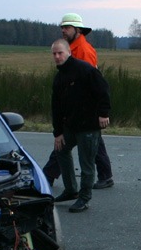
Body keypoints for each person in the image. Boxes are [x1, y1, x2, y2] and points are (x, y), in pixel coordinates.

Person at [42, 13, 115, 189]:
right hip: (79, 111)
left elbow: (94, 83)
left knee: (66, 143)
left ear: (77, 29)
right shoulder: (73, 47)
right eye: (62, 27)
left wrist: (99, 111)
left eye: (66, 27)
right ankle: (105, 175)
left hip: (84, 109)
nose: (63, 30)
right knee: (90, 141)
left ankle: (48, 176)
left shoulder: (83, 50)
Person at [50, 39, 111, 213]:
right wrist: (58, 132)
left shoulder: (85, 70)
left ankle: (84, 198)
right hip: (70, 127)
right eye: (54, 53)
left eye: (60, 52)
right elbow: (56, 107)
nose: (57, 56)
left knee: (87, 163)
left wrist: (103, 113)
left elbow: (103, 90)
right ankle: (71, 191)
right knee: (60, 150)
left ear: (68, 52)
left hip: (89, 126)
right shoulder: (59, 77)